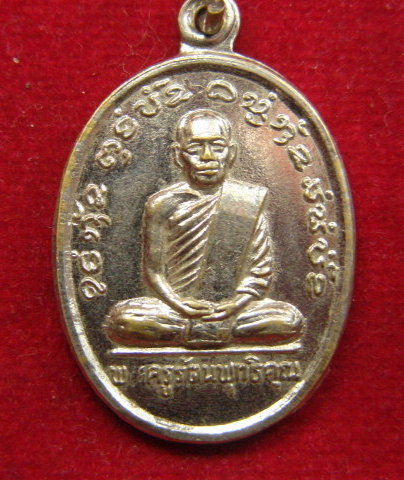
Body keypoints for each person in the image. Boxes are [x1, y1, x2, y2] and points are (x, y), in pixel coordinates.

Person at [104, 109, 304, 347]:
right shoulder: (162, 204)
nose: (207, 157)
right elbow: (154, 273)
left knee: (289, 320)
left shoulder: (246, 200)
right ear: (178, 156)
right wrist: (179, 304)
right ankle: (215, 332)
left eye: (217, 147)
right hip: (176, 310)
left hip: (233, 311)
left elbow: (259, 273)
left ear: (231, 153)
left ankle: (193, 332)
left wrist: (235, 304)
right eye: (195, 148)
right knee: (123, 321)